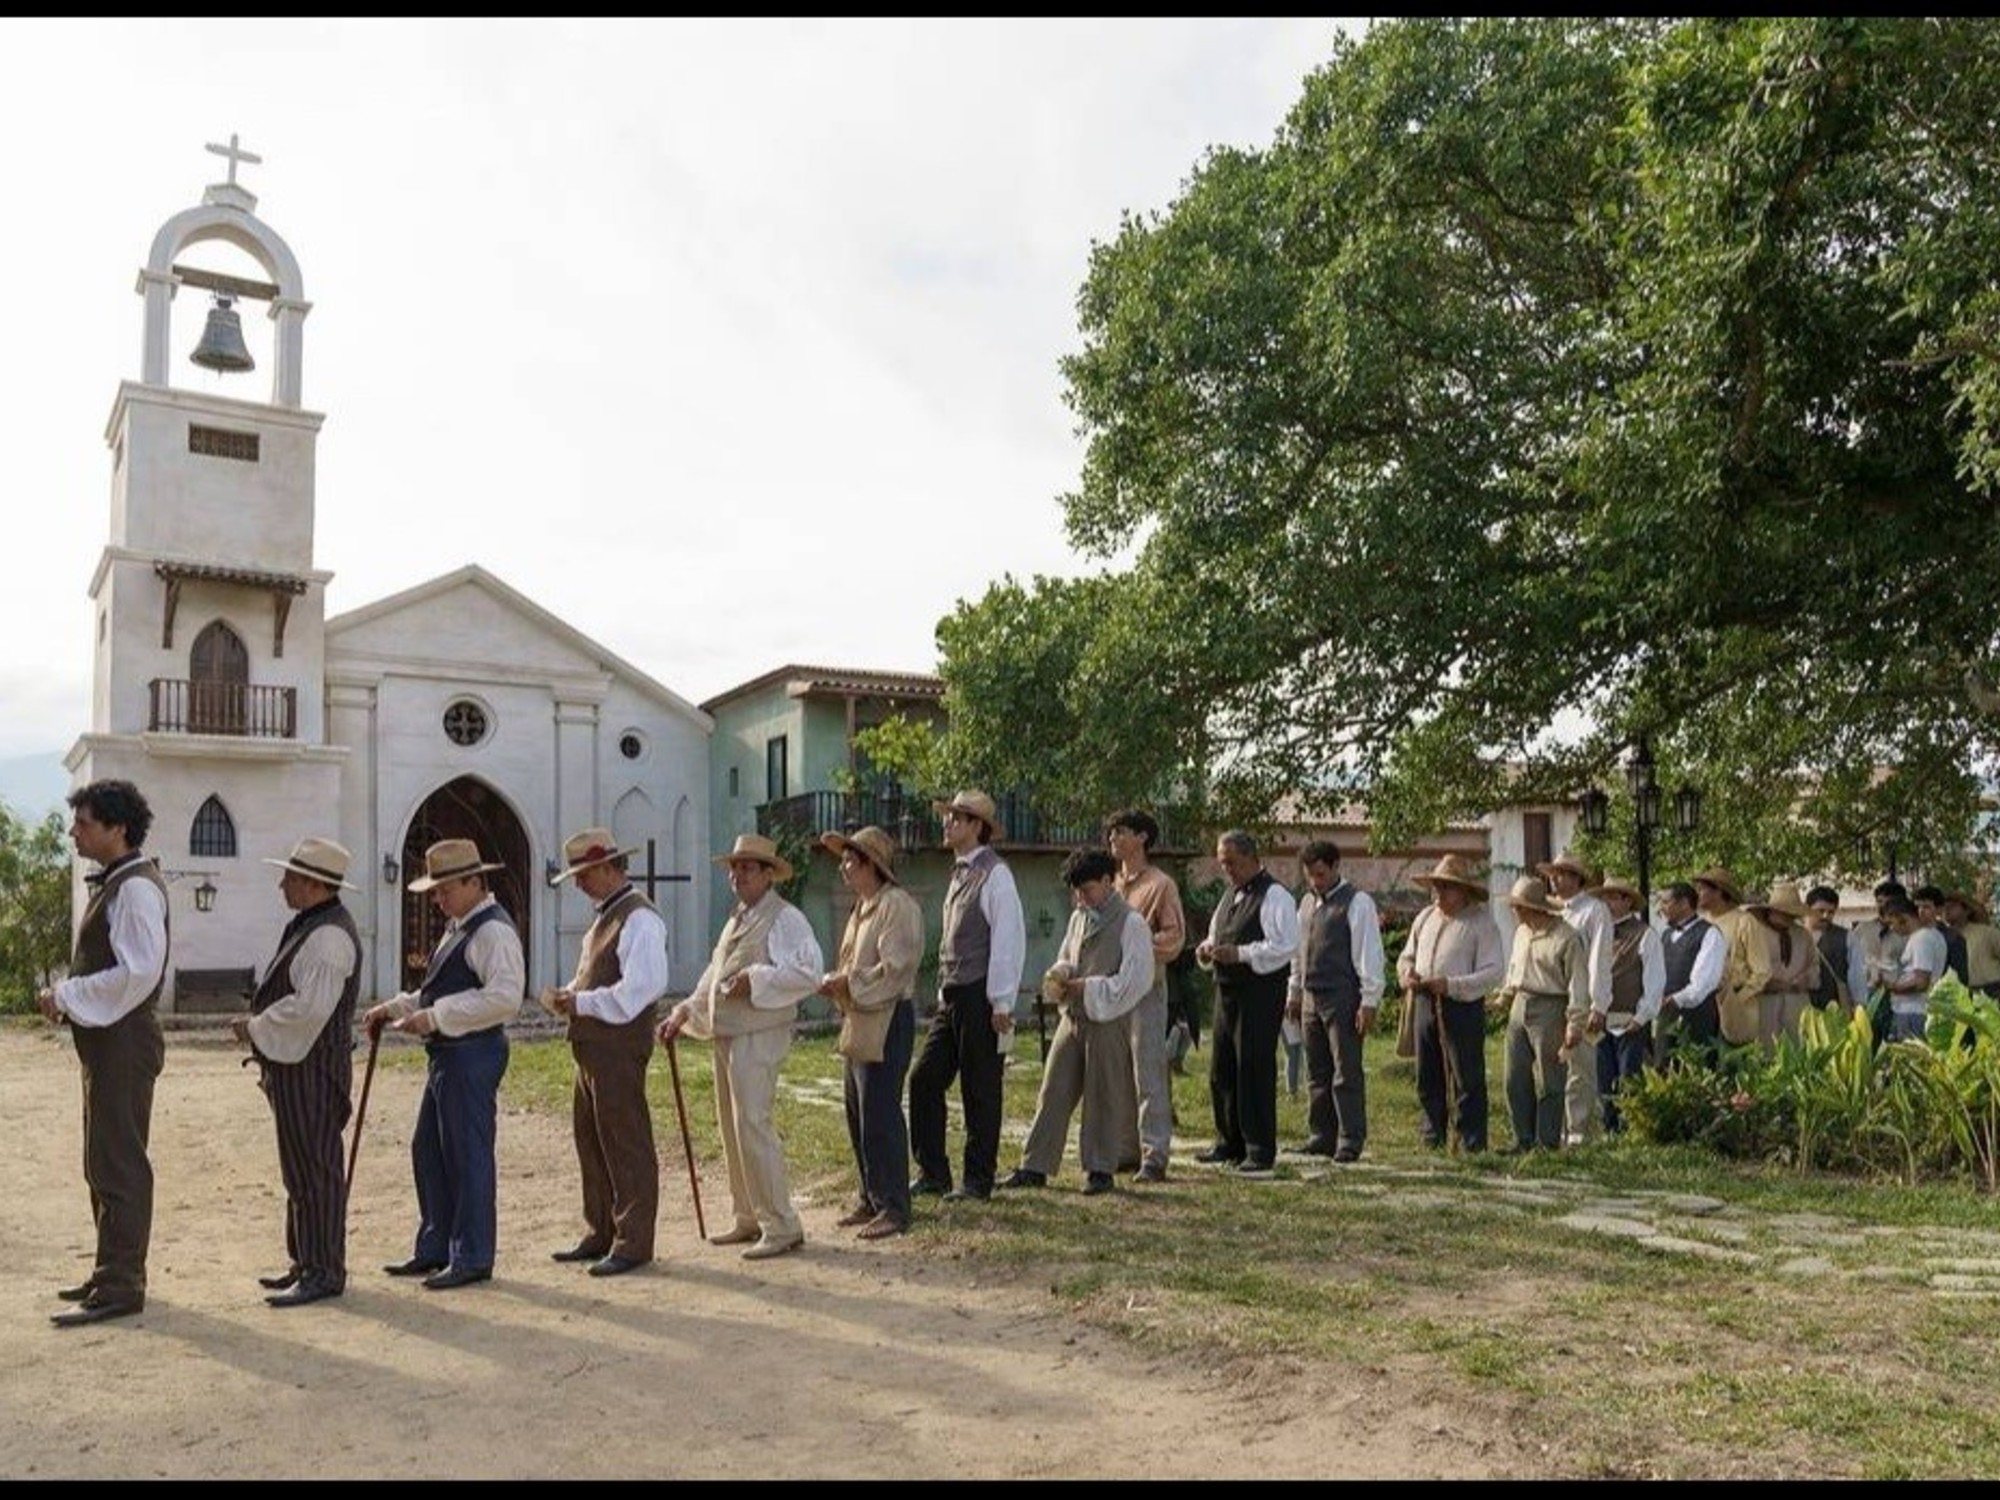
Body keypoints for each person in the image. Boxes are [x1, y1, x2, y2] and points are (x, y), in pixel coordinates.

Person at [362, 838, 525, 1291]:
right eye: (434, 891)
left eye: (445, 889)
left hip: (471, 1054)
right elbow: (437, 988)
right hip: (448, 1054)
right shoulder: (460, 926)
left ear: (475, 882)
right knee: (429, 1149)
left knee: (466, 1154)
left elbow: (505, 998)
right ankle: (436, 1247)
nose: (438, 899)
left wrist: (435, 1018)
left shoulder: (492, 931)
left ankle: (472, 1254)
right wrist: (396, 1007)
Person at [37, 779, 168, 1328]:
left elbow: (137, 973)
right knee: (102, 1158)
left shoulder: (135, 889)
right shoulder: (120, 882)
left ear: (117, 829)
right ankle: (110, 1269)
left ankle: (122, 1283)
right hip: (109, 1042)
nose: (74, 831)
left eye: (85, 822)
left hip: (124, 1042)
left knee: (119, 1162)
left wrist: (66, 995)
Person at [659, 833, 822, 1260]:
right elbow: (714, 975)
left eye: (747, 867)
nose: (737, 875)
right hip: (728, 1032)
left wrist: (757, 979)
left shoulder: (785, 918)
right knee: (732, 1127)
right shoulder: (737, 918)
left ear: (769, 874)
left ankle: (781, 1224)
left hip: (760, 1032)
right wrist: (684, 1011)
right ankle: (748, 1215)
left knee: (753, 1123)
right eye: (734, 867)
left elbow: (808, 972)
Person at [232, 836, 362, 1308]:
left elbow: (309, 1011)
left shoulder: (328, 937)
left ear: (312, 884)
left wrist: (255, 1027)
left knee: (316, 1170)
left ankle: (324, 1269)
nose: (282, 883)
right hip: (297, 1066)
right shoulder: (313, 927)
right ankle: (306, 1261)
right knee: (300, 1171)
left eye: (289, 876)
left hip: (312, 1069)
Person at [542, 827, 668, 1278]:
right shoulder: (607, 916)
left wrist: (581, 1002)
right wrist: (571, 993)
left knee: (625, 1141)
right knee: (591, 1140)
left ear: (606, 869)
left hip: (618, 1046)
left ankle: (633, 1240)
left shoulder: (640, 919)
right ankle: (600, 1230)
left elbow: (640, 989)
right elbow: (598, 978)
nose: (578, 883)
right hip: (593, 1046)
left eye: (583, 874)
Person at [1001, 848, 1154, 1196]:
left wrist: (1090, 987)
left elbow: (1136, 980)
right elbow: (1069, 956)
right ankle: (1035, 1165)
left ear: (1107, 881)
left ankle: (1100, 1168)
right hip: (1073, 1017)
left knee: (1103, 1094)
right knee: (1053, 1088)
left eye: (1086, 889)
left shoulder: (1132, 923)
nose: (1081, 897)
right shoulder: (1079, 918)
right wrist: (1061, 974)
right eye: (1077, 891)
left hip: (1107, 1020)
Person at [909, 790, 1025, 1204]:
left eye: (958, 818)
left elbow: (1007, 940)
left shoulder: (996, 874)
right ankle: (933, 1172)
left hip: (981, 995)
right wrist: (944, 992)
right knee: (924, 1080)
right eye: (949, 817)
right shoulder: (959, 873)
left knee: (980, 1090)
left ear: (978, 827)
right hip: (954, 994)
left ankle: (978, 1181)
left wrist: (1002, 1002)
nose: (948, 823)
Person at [817, 825, 924, 1240]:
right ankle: (870, 1195)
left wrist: (847, 982)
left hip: (887, 1017)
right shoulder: (863, 908)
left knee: (880, 1112)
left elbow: (896, 968)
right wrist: (842, 983)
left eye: (849, 859)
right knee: (858, 1111)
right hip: (861, 1018)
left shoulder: (896, 905)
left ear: (870, 865)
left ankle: (894, 1206)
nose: (843, 867)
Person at [1193, 831, 1299, 1175]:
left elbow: (1284, 946)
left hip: (1260, 993)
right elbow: (1216, 935)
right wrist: (1207, 950)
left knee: (1253, 1067)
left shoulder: (1276, 896)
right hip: (1226, 991)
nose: (1228, 870)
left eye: (1232, 863)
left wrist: (1240, 953)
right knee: (1222, 1067)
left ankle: (1259, 1149)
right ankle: (1229, 1141)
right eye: (1223, 864)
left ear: (1252, 857)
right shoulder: (1228, 896)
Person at [1284, 839, 1384, 1163]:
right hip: (1312, 995)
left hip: (1343, 994)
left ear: (1336, 867)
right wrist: (1294, 992)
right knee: (1316, 1071)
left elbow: (1369, 954)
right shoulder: (1306, 905)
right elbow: (1298, 952)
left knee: (1346, 1070)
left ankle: (1350, 1138)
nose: (1316, 881)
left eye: (1321, 874)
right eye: (1310, 875)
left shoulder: (1358, 903)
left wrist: (1369, 1000)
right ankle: (1321, 1134)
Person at [1397, 854, 1505, 1153]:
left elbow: (1494, 971)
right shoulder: (1425, 918)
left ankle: (1471, 1141)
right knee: (1427, 1073)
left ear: (1463, 891)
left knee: (1466, 1075)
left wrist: (1453, 985)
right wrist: (1407, 973)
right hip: (1423, 1001)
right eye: (1436, 887)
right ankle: (1432, 1135)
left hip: (1461, 1006)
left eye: (1446, 887)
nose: (1439, 894)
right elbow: (1407, 955)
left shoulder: (1481, 923)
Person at [1106, 808, 1186, 1183]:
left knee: (1148, 1068)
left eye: (1120, 832)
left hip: (1147, 987)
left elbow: (1174, 936)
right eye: (1110, 834)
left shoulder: (1160, 885)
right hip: (1112, 990)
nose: (1113, 839)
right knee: (1118, 1069)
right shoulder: (1111, 886)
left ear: (1141, 838)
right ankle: (1126, 1149)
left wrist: (1137, 944)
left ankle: (1155, 1154)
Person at [1493, 876, 1590, 1153]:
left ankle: (1546, 1141)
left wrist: (1575, 1022)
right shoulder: (1522, 933)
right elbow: (1516, 969)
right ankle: (1522, 1138)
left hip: (1551, 1006)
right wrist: (1504, 998)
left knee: (1550, 1079)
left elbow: (1578, 982)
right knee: (1514, 1076)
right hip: (1520, 1004)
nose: (1514, 911)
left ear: (1534, 908)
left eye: (1518, 906)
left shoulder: (1566, 937)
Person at [1537, 851, 1613, 1146]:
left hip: (1581, 997)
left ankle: (1579, 1128)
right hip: (1555, 995)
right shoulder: (1554, 911)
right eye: (1553, 874)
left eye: (1561, 874)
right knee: (1556, 1063)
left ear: (1575, 878)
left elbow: (1599, 958)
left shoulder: (1595, 911)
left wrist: (1598, 1003)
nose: (1554, 880)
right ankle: (1557, 1126)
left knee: (1580, 1065)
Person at [1592, 877, 1663, 1133]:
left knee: (1628, 1078)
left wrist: (1641, 1017)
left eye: (1613, 897)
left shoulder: (1645, 935)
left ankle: (1628, 1130)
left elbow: (1654, 981)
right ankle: (1609, 1129)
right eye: (1605, 897)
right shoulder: (1598, 933)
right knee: (1603, 1078)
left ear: (1627, 901)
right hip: (1600, 1019)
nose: (1607, 903)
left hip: (1629, 1019)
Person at [1693, 867, 1771, 1049]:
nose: (1697, 894)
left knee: (1731, 1062)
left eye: (1702, 889)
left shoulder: (1744, 922)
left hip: (1734, 1001)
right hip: (1701, 1003)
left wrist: (1737, 998)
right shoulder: (1699, 923)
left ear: (1719, 891)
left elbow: (1762, 971)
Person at [1656, 881, 1725, 1068]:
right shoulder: (1665, 935)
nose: (1661, 908)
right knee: (1663, 1070)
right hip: (1666, 1017)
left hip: (1697, 1019)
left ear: (1684, 903)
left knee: (1695, 1073)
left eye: (1665, 902)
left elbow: (1703, 984)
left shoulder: (1709, 934)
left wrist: (1675, 998)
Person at [1749, 882, 1816, 1048]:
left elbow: (1815, 967)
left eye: (1792, 914)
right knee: (1765, 1053)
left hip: (1796, 1004)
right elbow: (1743, 969)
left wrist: (1806, 978)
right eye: (1785, 913)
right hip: (1765, 1005)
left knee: (1798, 1051)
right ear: (1772, 910)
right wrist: (1765, 983)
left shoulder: (1803, 935)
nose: (1789, 918)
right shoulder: (1754, 932)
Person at [1880, 894, 1946, 1041]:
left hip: (1912, 1012)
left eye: (1892, 923)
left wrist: (1893, 987)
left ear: (1903, 918)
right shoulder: (1934, 935)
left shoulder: (1920, 939)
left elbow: (1921, 982)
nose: (1892, 929)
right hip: (1919, 1010)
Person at [1847, 879, 1908, 1017]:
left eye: (1888, 902)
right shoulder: (1862, 929)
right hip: (1866, 996)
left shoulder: (1908, 933)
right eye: (1879, 901)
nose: (1883, 906)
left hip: (1898, 999)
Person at [1803, 886, 1850, 1011]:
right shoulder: (1794, 934)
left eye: (1831, 912)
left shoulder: (1847, 937)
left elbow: (1856, 976)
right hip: (1800, 1006)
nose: (1825, 915)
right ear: (1807, 908)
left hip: (1834, 1009)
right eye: (1820, 910)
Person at [1913, 884, 1971, 988]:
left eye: (1926, 907)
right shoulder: (1910, 936)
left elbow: (1961, 980)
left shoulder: (1953, 939)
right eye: (1917, 907)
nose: (1920, 911)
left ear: (1939, 910)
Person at [1945, 892, 2000, 1000]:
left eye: (1953, 906)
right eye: (1945, 907)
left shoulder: (1986, 933)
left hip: (1993, 990)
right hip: (1961, 996)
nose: (1947, 909)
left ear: (1967, 910)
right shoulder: (1942, 938)